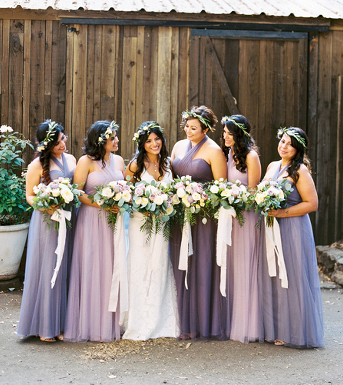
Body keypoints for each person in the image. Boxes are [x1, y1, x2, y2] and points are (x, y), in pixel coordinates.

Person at [260, 127, 324, 348]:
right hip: (271, 228)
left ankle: (294, 331)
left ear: (298, 148)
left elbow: (311, 204)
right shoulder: (271, 166)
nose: (283, 146)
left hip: (293, 228)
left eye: (289, 143)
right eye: (282, 141)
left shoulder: (300, 171)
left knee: (293, 276)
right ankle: (274, 328)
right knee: (274, 276)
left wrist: (281, 213)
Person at [169, 105, 228, 340]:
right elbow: (170, 177)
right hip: (179, 216)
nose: (188, 130)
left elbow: (221, 188)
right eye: (187, 126)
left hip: (203, 219)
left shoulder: (214, 152)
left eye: (194, 127)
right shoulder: (178, 147)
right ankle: (181, 321)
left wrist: (199, 198)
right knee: (180, 265)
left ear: (206, 129)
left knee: (201, 266)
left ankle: (203, 322)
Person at [65, 120, 126, 342]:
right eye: (113, 138)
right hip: (91, 221)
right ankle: (91, 323)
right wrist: (102, 204)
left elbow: (125, 187)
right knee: (93, 268)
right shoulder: (86, 162)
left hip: (115, 222)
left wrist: (122, 200)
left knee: (112, 268)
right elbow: (76, 192)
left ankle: (112, 321)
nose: (117, 140)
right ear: (101, 140)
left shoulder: (119, 161)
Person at [17, 120, 77, 342]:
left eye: (63, 138)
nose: (63, 143)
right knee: (48, 268)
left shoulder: (71, 159)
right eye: (58, 141)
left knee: (64, 269)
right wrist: (47, 204)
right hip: (47, 221)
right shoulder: (36, 166)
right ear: (47, 144)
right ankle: (45, 325)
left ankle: (60, 323)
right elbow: (30, 196)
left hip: (69, 218)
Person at [122, 121, 179, 340]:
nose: (154, 144)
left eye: (157, 139)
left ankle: (158, 318)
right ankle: (136, 320)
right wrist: (141, 205)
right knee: (140, 264)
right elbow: (125, 192)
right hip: (140, 222)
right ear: (142, 144)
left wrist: (168, 203)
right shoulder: (136, 165)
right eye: (148, 141)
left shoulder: (167, 163)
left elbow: (173, 192)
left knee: (160, 265)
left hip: (162, 223)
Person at [221, 114, 263, 343]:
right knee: (232, 266)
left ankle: (248, 324)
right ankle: (231, 319)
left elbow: (254, 192)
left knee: (246, 266)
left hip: (246, 217)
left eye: (229, 132)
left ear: (239, 134)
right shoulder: (229, 154)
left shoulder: (251, 156)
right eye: (224, 132)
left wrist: (235, 198)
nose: (225, 136)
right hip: (230, 218)